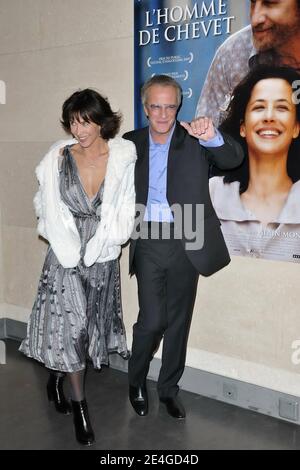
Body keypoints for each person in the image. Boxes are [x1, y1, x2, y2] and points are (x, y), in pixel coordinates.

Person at [19, 89, 136, 445]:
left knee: (85, 331)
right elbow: (45, 203)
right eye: (73, 121)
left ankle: (55, 376)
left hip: (100, 254)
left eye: (86, 121)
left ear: (102, 121)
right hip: (66, 255)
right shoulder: (58, 158)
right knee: (70, 328)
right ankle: (80, 405)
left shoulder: (122, 158)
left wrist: (113, 239)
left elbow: (125, 206)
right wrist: (54, 232)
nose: (79, 129)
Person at [123, 75, 244, 419]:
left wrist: (214, 136)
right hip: (146, 236)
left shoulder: (195, 139)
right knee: (152, 320)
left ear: (179, 107)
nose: (163, 114)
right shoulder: (130, 143)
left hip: (187, 234)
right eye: (156, 106)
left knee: (178, 320)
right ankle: (135, 381)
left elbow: (233, 159)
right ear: (145, 108)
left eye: (170, 106)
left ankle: (167, 390)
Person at [209, 65, 300, 262]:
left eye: (282, 107)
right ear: (243, 127)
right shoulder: (214, 193)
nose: (269, 117)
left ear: (296, 128)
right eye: (259, 107)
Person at [196, 0, 300, 126]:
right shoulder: (232, 53)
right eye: (252, 3)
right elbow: (204, 138)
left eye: (270, 3)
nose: (255, 19)